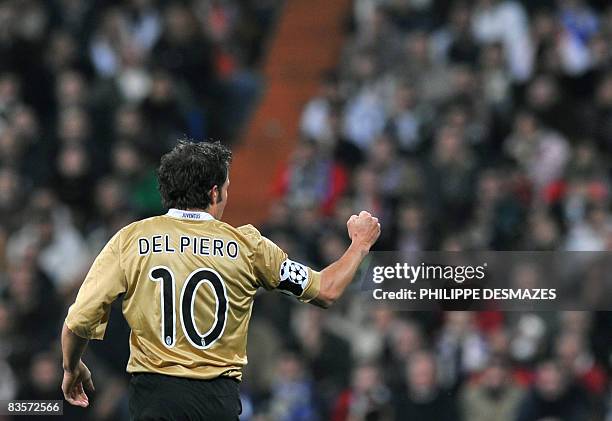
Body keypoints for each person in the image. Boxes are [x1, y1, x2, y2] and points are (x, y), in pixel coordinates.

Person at [60, 140, 381, 420]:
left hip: (154, 397)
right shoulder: (248, 247)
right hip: (217, 401)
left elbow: (77, 321)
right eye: (226, 188)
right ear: (214, 192)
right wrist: (359, 245)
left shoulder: (131, 240)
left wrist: (71, 366)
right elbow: (326, 290)